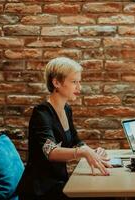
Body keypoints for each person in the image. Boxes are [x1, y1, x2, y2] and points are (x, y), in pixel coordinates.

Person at [17, 57, 111, 200]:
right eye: (74, 82)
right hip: (40, 190)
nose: (79, 88)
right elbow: (51, 152)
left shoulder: (66, 109)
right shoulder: (41, 113)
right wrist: (83, 152)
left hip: (59, 183)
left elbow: (75, 140)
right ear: (56, 83)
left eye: (79, 82)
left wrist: (93, 152)